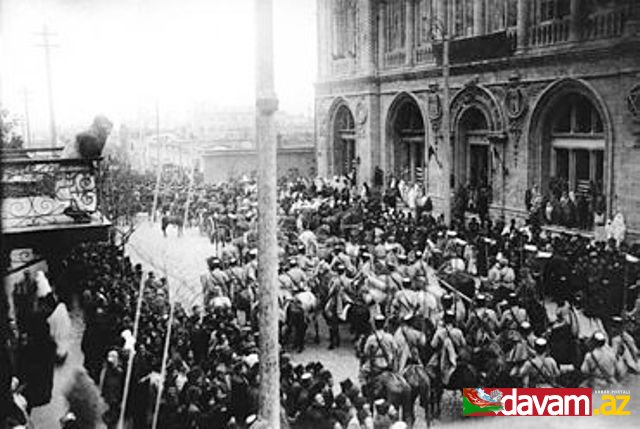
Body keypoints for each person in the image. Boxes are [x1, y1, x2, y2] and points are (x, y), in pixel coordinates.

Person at [428, 311, 467, 385]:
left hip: (443, 358)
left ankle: (436, 386)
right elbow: (464, 344)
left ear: (444, 320)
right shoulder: (458, 332)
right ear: (453, 321)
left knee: (430, 368)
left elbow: (433, 345)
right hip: (458, 355)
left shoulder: (439, 332)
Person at [360, 315, 398, 388]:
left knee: (362, 374)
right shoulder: (389, 337)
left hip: (375, 365)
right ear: (384, 324)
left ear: (375, 324)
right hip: (388, 364)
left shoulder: (371, 338)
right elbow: (395, 349)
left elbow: (366, 352)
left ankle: (365, 393)